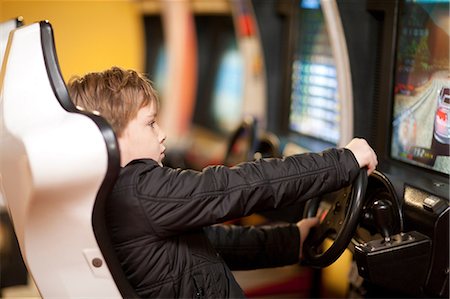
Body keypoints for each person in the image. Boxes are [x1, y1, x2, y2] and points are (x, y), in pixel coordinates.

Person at [68, 66, 378, 298]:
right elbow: (240, 186)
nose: (162, 133)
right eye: (150, 123)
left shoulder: (113, 192)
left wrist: (290, 241)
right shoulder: (138, 191)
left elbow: (204, 244)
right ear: (109, 139)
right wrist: (343, 161)